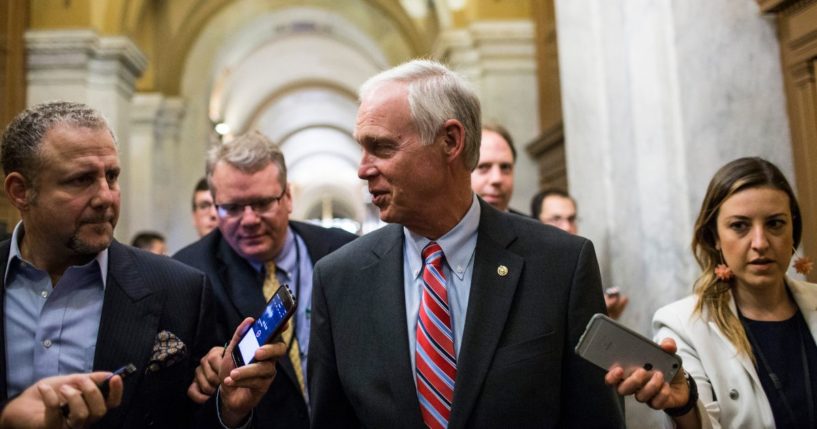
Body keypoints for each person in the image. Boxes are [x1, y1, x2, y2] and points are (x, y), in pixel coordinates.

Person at [308, 59, 623, 428]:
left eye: (381, 147)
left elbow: (595, 418)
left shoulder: (560, 265)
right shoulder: (340, 279)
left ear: (450, 141)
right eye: (362, 149)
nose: (363, 169)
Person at [0, 101, 281, 428]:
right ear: (20, 191)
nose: (106, 196)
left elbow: (194, 417)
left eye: (112, 176)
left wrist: (229, 411)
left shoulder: (179, 289)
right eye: (80, 180)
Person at [605, 157, 817, 429]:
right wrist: (684, 406)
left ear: (793, 230)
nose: (760, 243)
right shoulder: (684, 324)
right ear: (714, 236)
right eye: (740, 226)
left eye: (775, 224)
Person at [174, 131, 357, 428]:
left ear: (287, 197)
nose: (248, 219)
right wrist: (229, 409)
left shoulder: (344, 253)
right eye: (232, 207)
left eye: (261, 203)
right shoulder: (189, 275)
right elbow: (182, 407)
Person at [531, 188, 629, 320]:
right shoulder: (529, 269)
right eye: (556, 219)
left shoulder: (580, 266)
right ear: (535, 223)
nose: (567, 227)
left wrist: (602, 314)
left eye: (571, 219)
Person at [470, 123, 525, 215]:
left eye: (505, 167)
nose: (497, 179)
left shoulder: (533, 229)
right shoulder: (440, 227)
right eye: (483, 167)